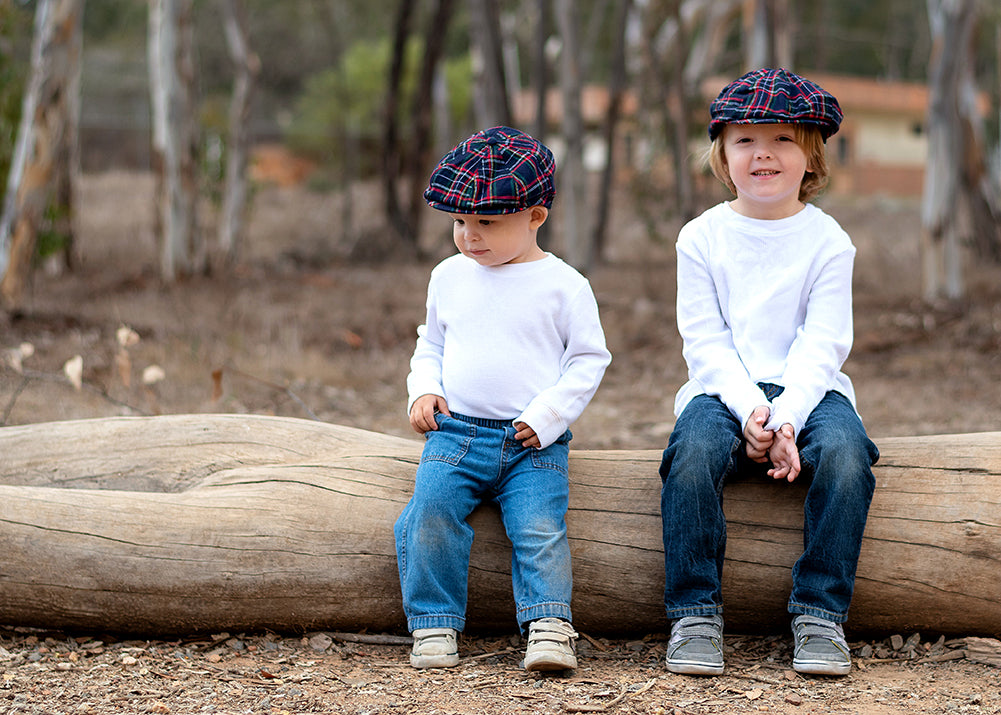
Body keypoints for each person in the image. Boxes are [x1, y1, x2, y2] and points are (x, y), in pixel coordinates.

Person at [658, 68, 880, 677]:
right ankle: (694, 612)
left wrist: (784, 416)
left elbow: (824, 343)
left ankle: (819, 613)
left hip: (813, 391)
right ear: (721, 155)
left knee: (844, 455)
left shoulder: (828, 242)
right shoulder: (700, 238)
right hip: (720, 388)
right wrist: (749, 409)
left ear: (811, 156)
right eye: (745, 140)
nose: (764, 154)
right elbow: (705, 341)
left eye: (783, 139)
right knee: (694, 452)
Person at [394, 126, 611, 672]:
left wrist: (551, 416)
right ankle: (435, 624)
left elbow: (588, 360)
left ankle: (548, 624)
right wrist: (425, 388)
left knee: (538, 526)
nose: (470, 236)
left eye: (486, 222)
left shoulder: (564, 285)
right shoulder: (449, 276)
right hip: (457, 433)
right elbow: (432, 343)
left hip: (530, 440)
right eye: (459, 222)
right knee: (430, 513)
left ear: (536, 216)